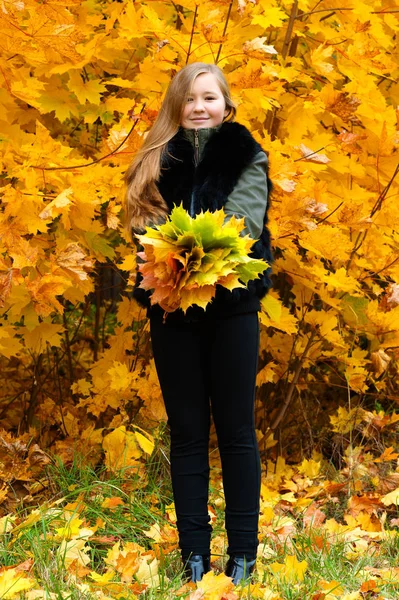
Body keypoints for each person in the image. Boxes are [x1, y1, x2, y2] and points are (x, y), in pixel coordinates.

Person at [124, 62, 272, 585]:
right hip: (170, 312)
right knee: (187, 433)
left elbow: (242, 230)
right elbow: (144, 232)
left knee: (236, 433)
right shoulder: (153, 160)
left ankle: (243, 556)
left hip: (232, 310)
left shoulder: (246, 155)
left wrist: (184, 255)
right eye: (189, 99)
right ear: (175, 106)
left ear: (225, 105)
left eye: (209, 98)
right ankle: (193, 557)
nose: (199, 107)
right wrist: (169, 269)